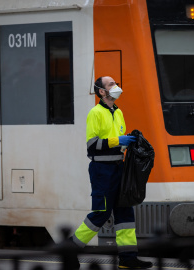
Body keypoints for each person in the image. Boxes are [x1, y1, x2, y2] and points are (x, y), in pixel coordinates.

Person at [71, 76, 153, 269]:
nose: (116, 87)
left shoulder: (119, 112)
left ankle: (128, 258)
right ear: (102, 91)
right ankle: (70, 247)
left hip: (119, 168)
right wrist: (119, 141)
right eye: (111, 85)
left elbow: (118, 141)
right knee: (101, 213)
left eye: (116, 84)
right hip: (102, 171)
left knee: (125, 212)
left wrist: (131, 142)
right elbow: (92, 146)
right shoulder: (95, 113)